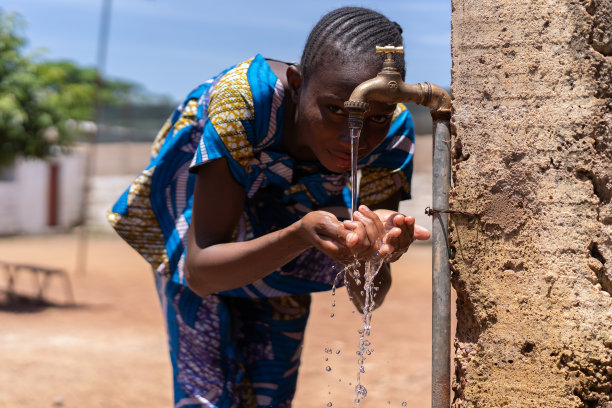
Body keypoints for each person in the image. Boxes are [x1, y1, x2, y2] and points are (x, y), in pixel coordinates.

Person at [108, 6, 429, 408]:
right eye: (334, 110)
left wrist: (375, 252)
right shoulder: (244, 100)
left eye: (376, 117)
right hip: (202, 242)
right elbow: (201, 271)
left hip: (285, 247)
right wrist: (297, 235)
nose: (357, 136)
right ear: (297, 84)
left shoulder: (392, 134)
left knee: (270, 394)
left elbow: (370, 296)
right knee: (208, 396)